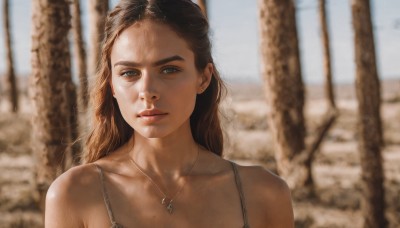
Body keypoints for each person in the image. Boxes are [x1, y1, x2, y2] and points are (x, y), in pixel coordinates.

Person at [45, 0, 294, 227]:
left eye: (169, 70)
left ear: (203, 78)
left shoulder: (264, 194)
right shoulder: (74, 195)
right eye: (129, 73)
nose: (148, 91)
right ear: (112, 86)